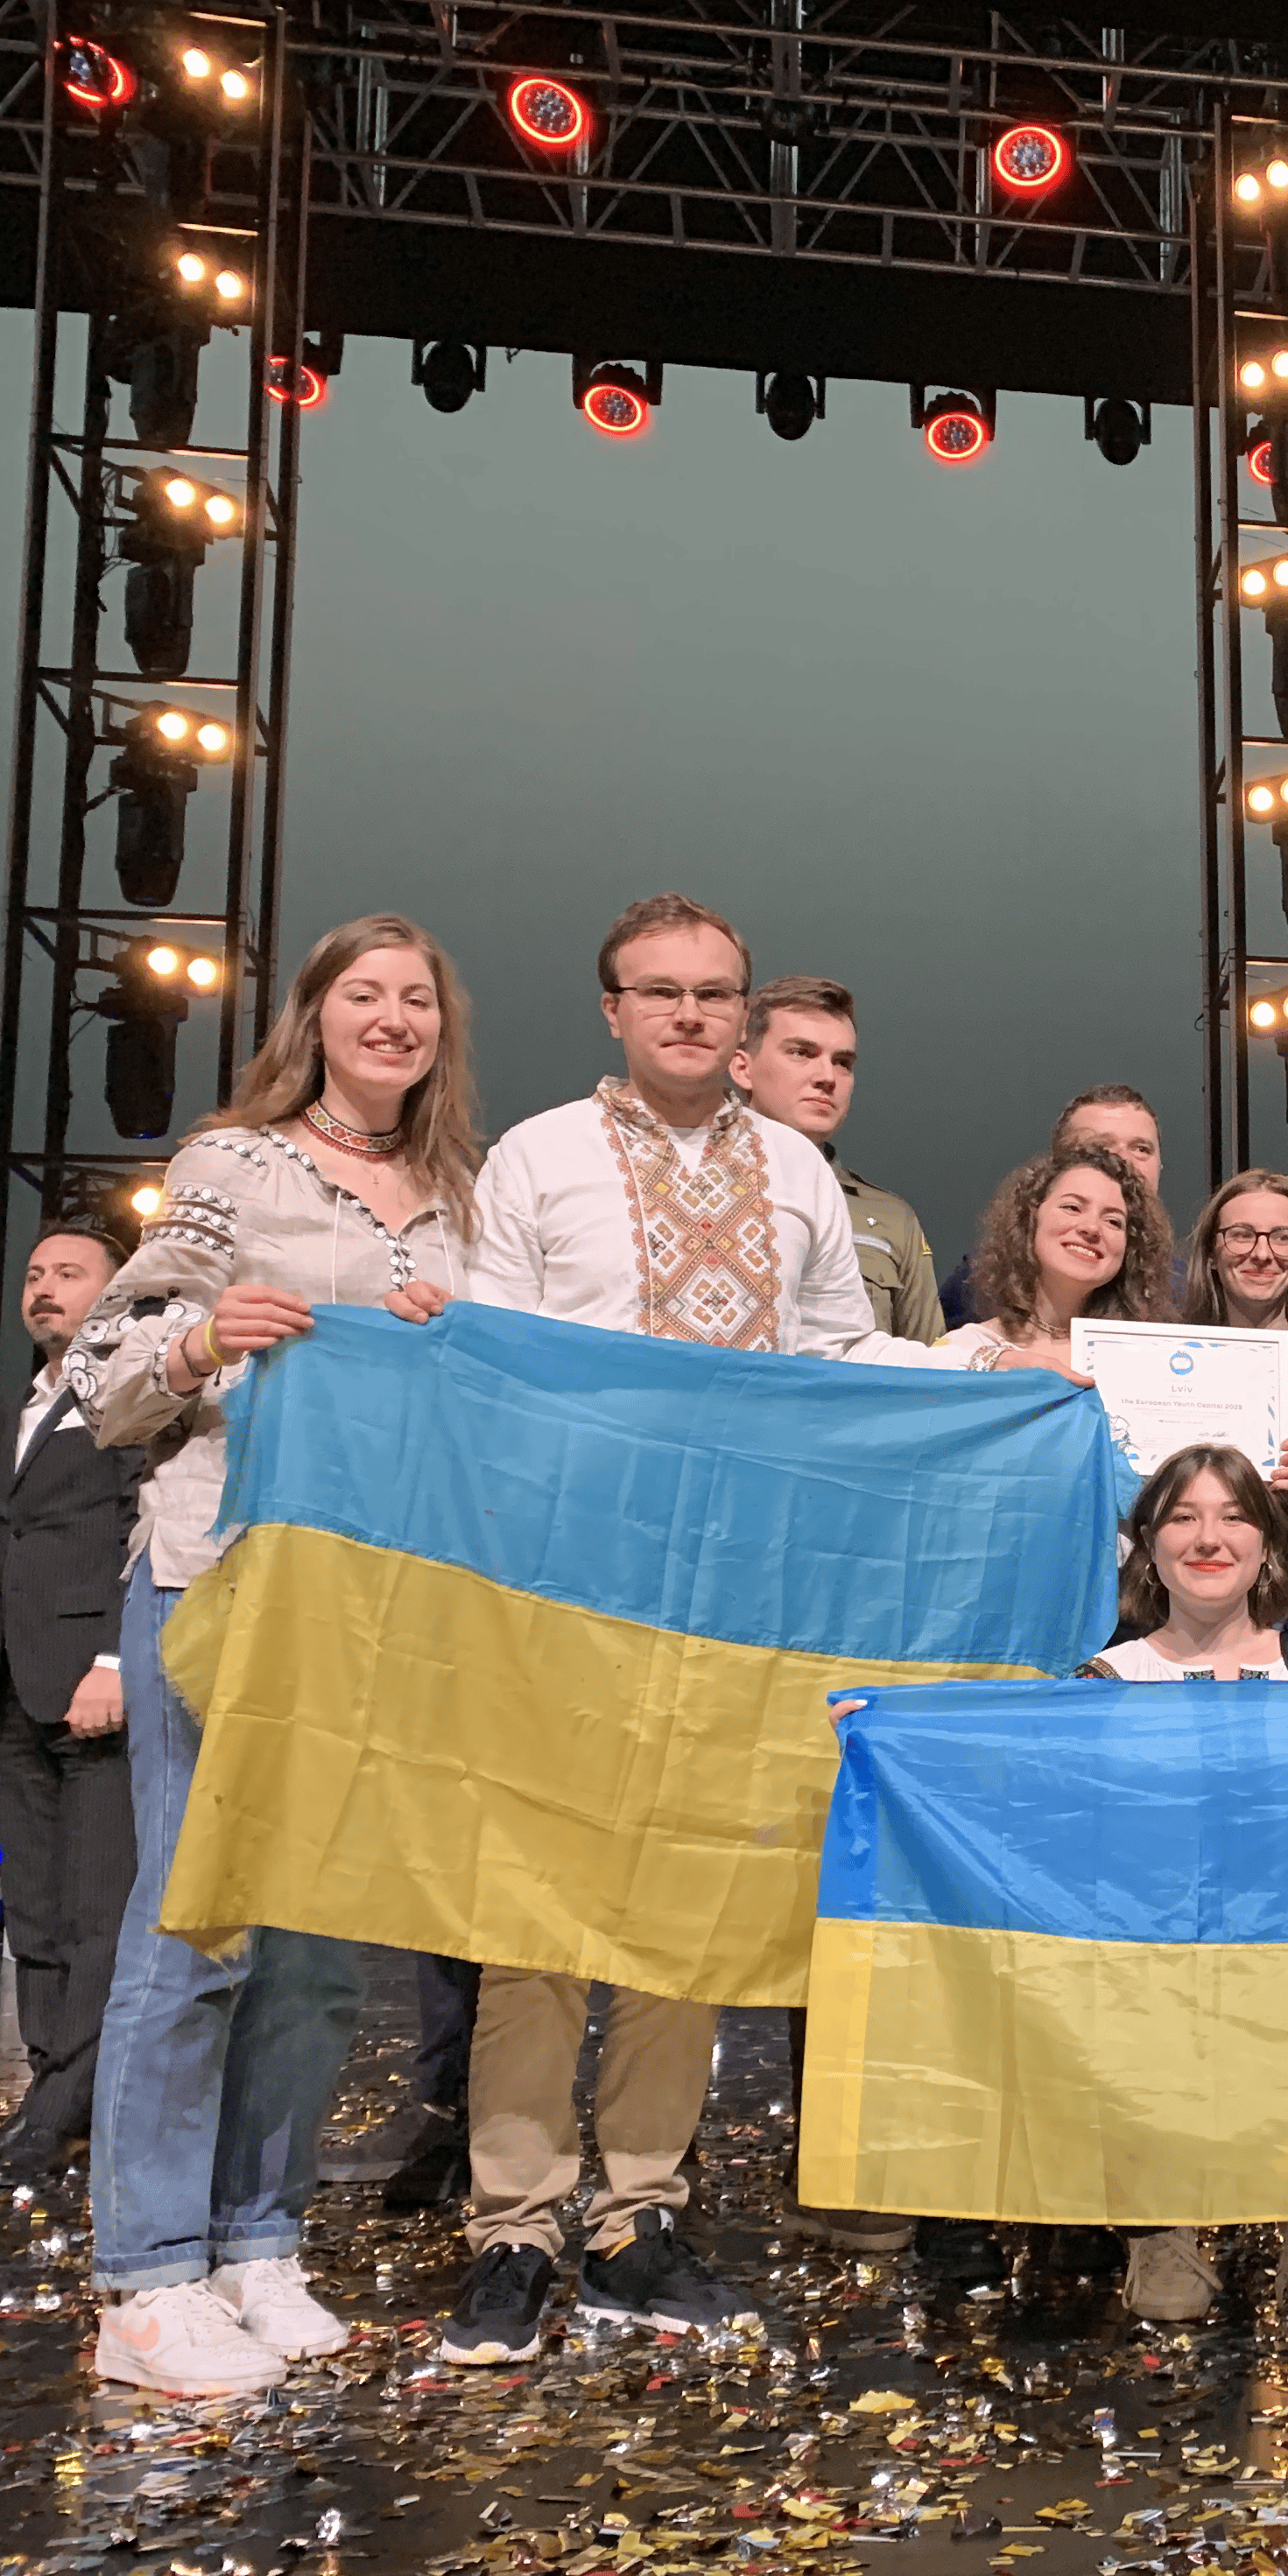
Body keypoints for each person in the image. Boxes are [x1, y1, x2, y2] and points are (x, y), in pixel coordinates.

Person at [446, 893, 887, 2365]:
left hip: (739, 1584)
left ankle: (639, 2210)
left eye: (714, 993)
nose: (689, 1013)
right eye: (661, 991)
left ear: (742, 1016)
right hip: (568, 1572)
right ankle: (512, 2223)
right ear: (612, 1009)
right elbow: (488, 1350)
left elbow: (837, 1353)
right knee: (535, 1910)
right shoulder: (538, 1156)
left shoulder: (794, 1171)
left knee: (680, 1910)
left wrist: (1002, 1371)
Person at [68, 911, 477, 2397]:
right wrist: (197, 1341)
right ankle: (146, 2272)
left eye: (414, 995)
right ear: (314, 1015)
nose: (391, 1016)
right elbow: (101, 1376)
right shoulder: (232, 1161)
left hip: (364, 1605)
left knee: (312, 1955)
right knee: (198, 1928)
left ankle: (255, 2235)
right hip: (214, 1575)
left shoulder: (456, 1196)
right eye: (363, 992)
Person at [1074, 1443, 1288, 2322]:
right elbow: (1040, 1801)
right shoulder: (1110, 1680)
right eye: (1183, 1518)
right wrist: (893, 1732)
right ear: (1148, 1546)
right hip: (1165, 1951)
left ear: (1270, 1544)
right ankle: (1160, 2230)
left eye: (1235, 1516)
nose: (1210, 1539)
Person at [0, 1219, 146, 2176]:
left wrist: (116, 1660)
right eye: (34, 1273)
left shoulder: (132, 1390)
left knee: (96, 1906)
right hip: (19, 1685)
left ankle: (76, 2104)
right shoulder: (23, 1403)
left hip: (94, 1676)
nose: (44, 1288)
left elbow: (139, 1523)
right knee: (33, 1903)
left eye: (69, 1273)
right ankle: (48, 2088)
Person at [730, 974, 945, 1344]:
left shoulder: (891, 1219)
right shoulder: (697, 1185)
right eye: (801, 1053)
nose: (827, 1077)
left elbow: (928, 1367)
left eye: (843, 1062)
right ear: (742, 1068)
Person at [928, 1142, 1173, 1373]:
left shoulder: (1152, 1360)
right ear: (1029, 1219)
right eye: (1072, 1207)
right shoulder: (965, 1350)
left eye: (1113, 1221)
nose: (1091, 1228)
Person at [940, 1085, 1165, 1327]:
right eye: (1100, 1148)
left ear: (1161, 1167)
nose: (1123, 1161)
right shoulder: (978, 1282)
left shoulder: (1190, 1286)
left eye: (1141, 1149)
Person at [1184, 1169, 1288, 1344]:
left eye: (1282, 1237)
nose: (1262, 1254)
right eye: (1242, 1235)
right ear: (1211, 1252)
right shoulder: (1175, 1355)